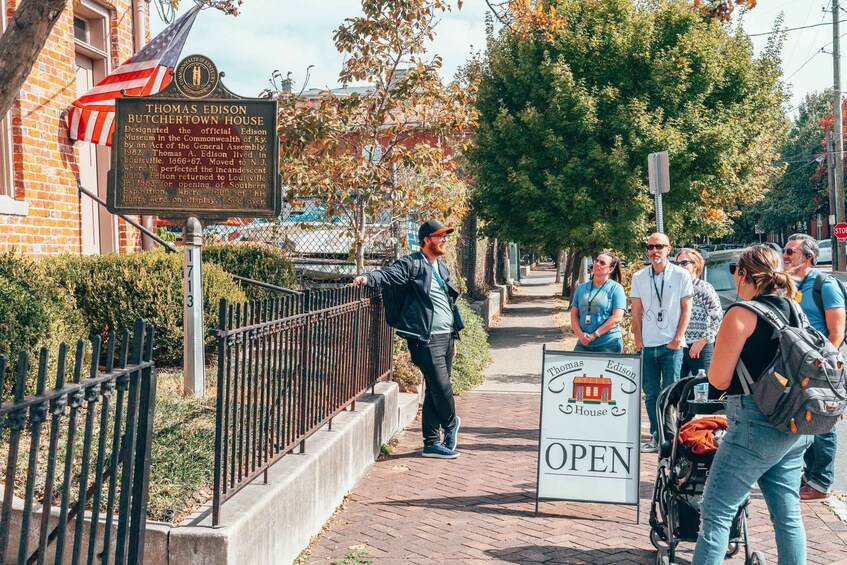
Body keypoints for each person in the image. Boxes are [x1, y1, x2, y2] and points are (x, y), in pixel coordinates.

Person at [693, 245, 813, 564]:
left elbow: (718, 379)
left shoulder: (741, 314)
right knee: (787, 517)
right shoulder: (793, 308)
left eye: (736, 273)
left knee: (716, 512)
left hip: (754, 426)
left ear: (743, 274)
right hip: (794, 424)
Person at [352, 220, 463, 459]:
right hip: (426, 338)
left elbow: (449, 304)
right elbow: (390, 275)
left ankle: (432, 443)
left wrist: (453, 337)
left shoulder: (441, 268)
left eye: (446, 237)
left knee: (434, 389)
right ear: (426, 240)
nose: (445, 240)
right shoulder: (412, 263)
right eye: (440, 236)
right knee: (442, 388)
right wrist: (368, 278)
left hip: (446, 337)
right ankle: (451, 423)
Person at [783, 233, 843, 501]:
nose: (784, 256)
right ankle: (809, 474)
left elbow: (837, 331)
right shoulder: (788, 285)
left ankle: (821, 482)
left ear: (807, 257)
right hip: (794, 366)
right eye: (784, 251)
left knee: (822, 420)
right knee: (801, 420)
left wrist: (822, 363)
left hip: (820, 366)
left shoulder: (824, 285)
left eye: (790, 252)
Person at [630, 232, 693, 453]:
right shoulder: (639, 277)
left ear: (668, 249)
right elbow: (636, 312)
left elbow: (687, 309)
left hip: (671, 345)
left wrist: (677, 339)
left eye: (659, 246)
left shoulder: (681, 275)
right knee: (651, 393)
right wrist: (639, 342)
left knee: (671, 393)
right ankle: (657, 436)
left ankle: (670, 437)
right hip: (648, 345)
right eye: (650, 247)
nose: (654, 251)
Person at [674, 248, 722, 379]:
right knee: (675, 388)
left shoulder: (704, 288)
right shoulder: (674, 289)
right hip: (679, 345)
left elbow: (717, 318)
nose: (680, 266)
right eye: (677, 264)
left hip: (701, 347)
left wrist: (701, 342)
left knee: (704, 388)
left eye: (684, 263)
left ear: (695, 265)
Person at [570, 252, 626, 353]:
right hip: (584, 343)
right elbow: (574, 315)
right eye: (596, 261)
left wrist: (595, 335)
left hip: (608, 343)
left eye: (602, 263)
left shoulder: (616, 288)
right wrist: (580, 335)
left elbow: (617, 317)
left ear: (610, 269)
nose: (597, 264)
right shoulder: (581, 288)